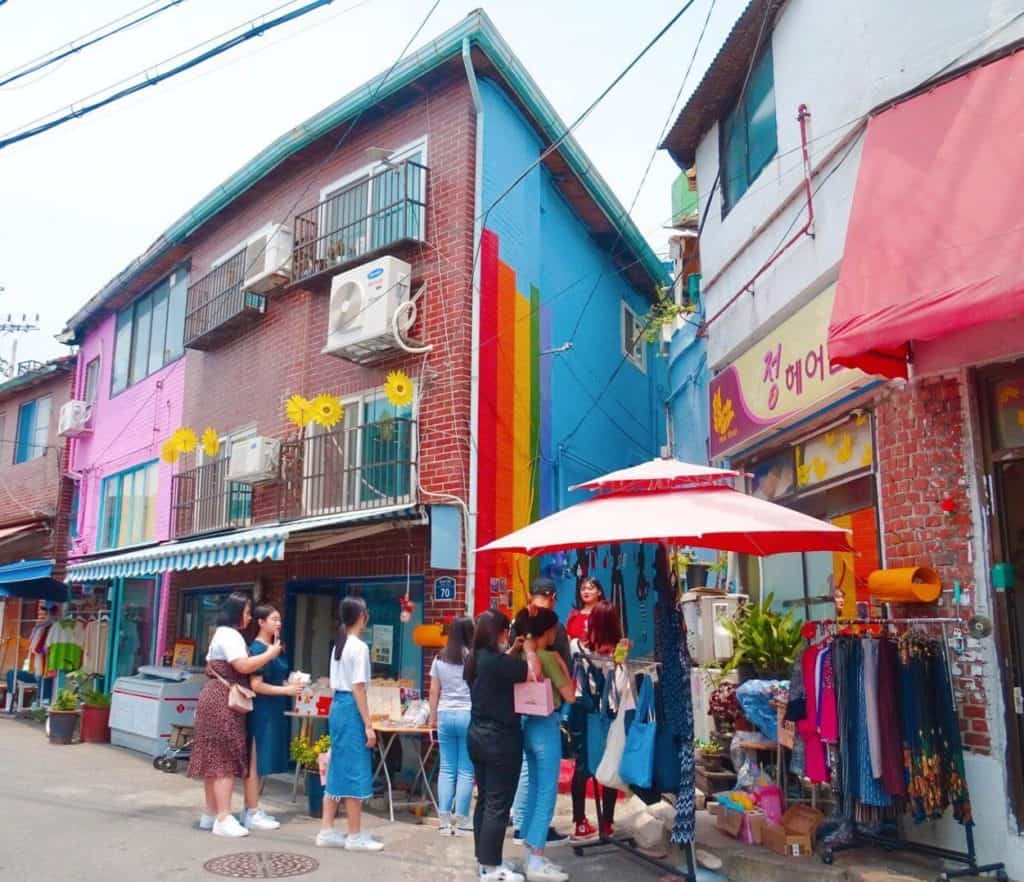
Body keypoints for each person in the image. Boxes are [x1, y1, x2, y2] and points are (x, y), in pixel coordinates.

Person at [189, 591, 283, 838]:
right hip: (222, 700)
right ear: (236, 612)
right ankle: (223, 817)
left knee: (213, 758)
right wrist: (270, 654)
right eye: (247, 611)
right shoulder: (230, 635)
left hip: (213, 697)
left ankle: (211, 814)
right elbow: (242, 666)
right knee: (224, 761)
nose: (249, 616)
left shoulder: (221, 633)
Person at [466, 609, 537, 882]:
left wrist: (511, 650)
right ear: (499, 632)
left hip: (477, 736)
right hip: (499, 740)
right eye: (507, 630)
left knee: (485, 801)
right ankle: (492, 868)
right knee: (497, 804)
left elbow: (498, 668)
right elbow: (529, 673)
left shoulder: (477, 660)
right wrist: (528, 649)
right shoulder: (499, 663)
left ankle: (484, 860)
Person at [512, 607, 576, 882]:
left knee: (534, 787)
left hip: (524, 725)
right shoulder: (548, 657)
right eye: (554, 629)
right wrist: (564, 669)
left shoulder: (517, 655)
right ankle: (536, 858)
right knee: (546, 793)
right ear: (547, 631)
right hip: (546, 727)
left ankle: (530, 852)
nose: (556, 633)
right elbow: (570, 696)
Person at [316, 595, 382, 852]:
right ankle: (354, 835)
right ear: (362, 616)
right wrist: (368, 724)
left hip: (338, 707)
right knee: (354, 768)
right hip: (351, 708)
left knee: (338, 767)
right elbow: (358, 688)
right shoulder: (359, 647)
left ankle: (327, 829)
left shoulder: (340, 645)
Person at [243, 604, 304, 831]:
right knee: (256, 759)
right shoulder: (257, 649)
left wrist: (291, 684)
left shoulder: (276, 647)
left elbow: (278, 677)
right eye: (273, 619)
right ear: (260, 622)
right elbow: (256, 684)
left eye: (279, 619)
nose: (278, 623)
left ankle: (252, 807)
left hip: (275, 707)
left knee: (264, 757)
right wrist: (285, 691)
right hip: (262, 709)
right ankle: (251, 810)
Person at [575, 601, 629, 841]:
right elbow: (621, 687)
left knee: (582, 766)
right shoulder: (618, 652)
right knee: (609, 763)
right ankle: (607, 822)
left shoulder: (577, 646)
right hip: (609, 714)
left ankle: (579, 822)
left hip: (584, 713)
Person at [428, 615, 476, 836]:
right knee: (466, 770)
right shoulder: (472, 658)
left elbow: (434, 690)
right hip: (467, 714)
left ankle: (444, 821)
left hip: (445, 714)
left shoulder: (439, 658)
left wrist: (432, 718)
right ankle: (463, 819)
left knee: (447, 768)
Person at [565, 576, 604, 643]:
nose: (586, 591)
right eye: (583, 589)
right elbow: (567, 639)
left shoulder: (605, 614)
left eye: (590, 588)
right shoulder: (574, 615)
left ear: (599, 592)